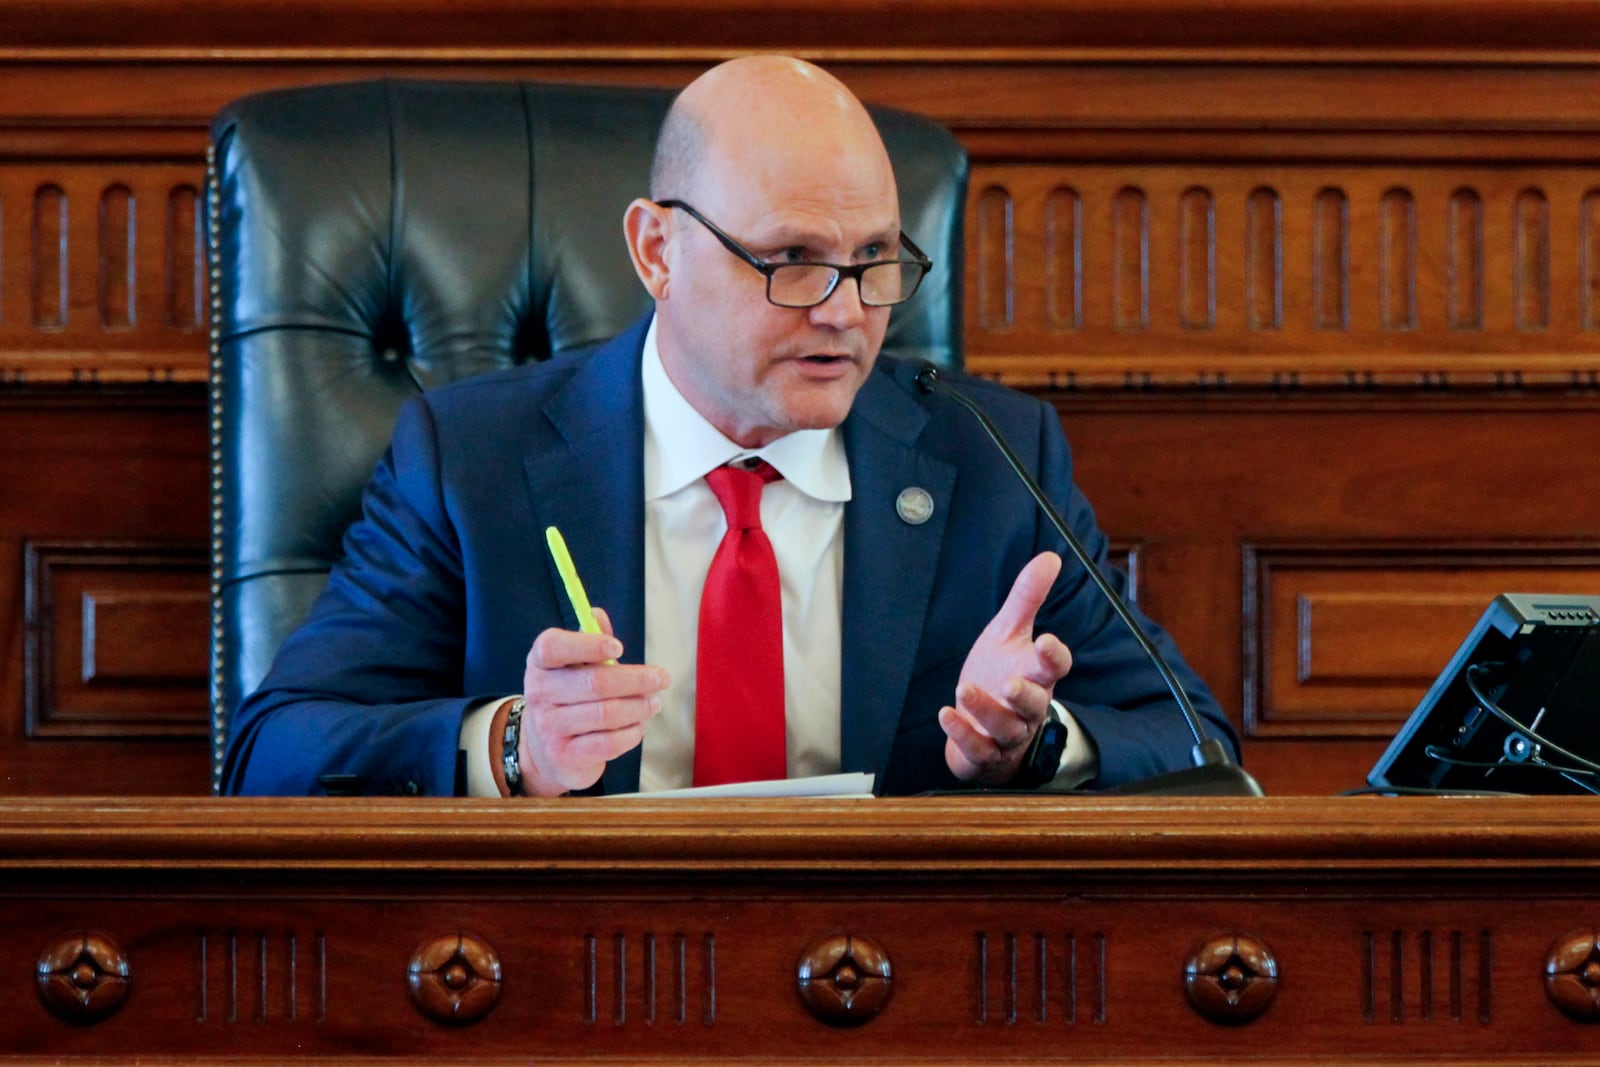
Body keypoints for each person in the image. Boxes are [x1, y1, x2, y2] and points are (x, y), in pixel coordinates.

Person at [221, 56, 1238, 798]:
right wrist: (509, 743)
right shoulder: (470, 459)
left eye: (876, 259)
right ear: (657, 251)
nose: (845, 310)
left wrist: (1037, 743)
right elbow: (271, 751)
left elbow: (1197, 739)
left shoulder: (991, 456)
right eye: (791, 258)